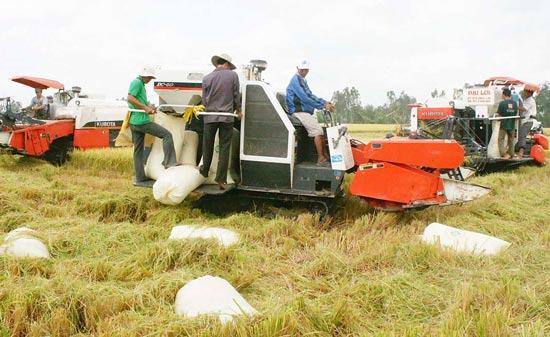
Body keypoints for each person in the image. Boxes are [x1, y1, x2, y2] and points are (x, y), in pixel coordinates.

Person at [128, 66, 178, 186]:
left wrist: (150, 107)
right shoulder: (137, 83)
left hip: (134, 121)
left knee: (138, 151)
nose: (150, 80)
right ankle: (169, 163)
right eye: (150, 77)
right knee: (167, 135)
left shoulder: (141, 84)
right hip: (141, 121)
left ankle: (140, 178)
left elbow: (139, 101)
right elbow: (130, 98)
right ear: (145, 76)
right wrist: (145, 108)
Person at [199, 53, 241, 190]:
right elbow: (236, 95)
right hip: (226, 117)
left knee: (207, 144)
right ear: (227, 64)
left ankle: (204, 170)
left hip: (210, 116)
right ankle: (221, 179)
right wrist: (238, 110)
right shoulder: (233, 76)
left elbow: (204, 100)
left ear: (217, 63)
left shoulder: (206, 78)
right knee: (224, 147)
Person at [286, 60, 334, 164]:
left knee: (320, 130)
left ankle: (325, 155)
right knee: (317, 131)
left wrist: (324, 102)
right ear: (297, 68)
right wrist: (322, 105)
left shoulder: (302, 81)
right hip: (298, 111)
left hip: (304, 112)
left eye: (306, 69)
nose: (304, 71)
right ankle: (321, 158)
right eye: (302, 69)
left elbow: (311, 95)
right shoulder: (296, 80)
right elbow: (305, 98)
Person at [497, 88, 518, 159]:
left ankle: (503, 154)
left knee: (501, 139)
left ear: (504, 95)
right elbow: (515, 114)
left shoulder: (502, 103)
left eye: (502, 95)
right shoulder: (515, 104)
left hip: (503, 125)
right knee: (511, 140)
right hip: (512, 124)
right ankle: (511, 154)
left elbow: (499, 115)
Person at [516, 88, 537, 157]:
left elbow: (524, 109)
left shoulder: (530, 100)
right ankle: (518, 150)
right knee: (520, 134)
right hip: (525, 120)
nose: (524, 93)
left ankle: (521, 153)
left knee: (522, 134)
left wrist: (514, 106)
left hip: (528, 121)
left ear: (529, 93)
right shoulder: (526, 100)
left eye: (525, 92)